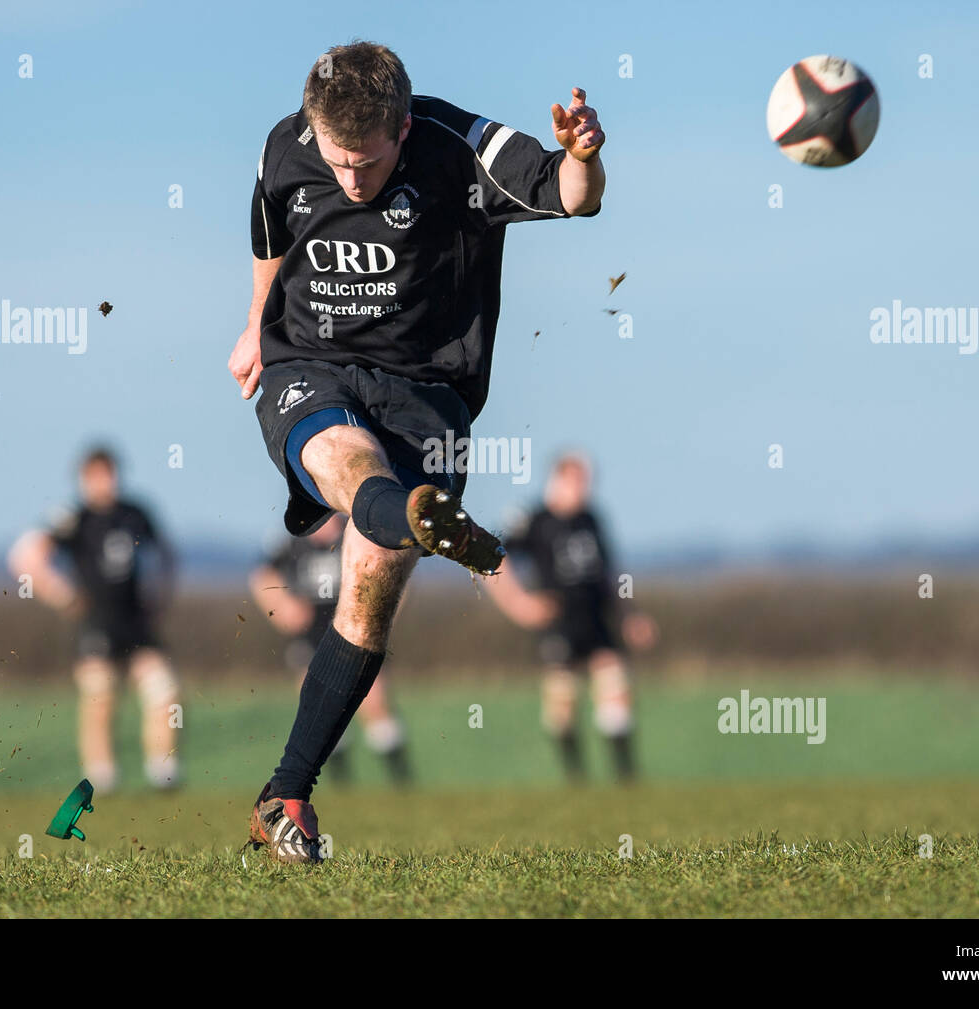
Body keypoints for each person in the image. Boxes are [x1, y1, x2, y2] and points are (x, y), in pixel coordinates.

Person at [228, 41, 606, 862]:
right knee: (346, 460)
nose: (351, 180)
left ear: (403, 126)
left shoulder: (463, 147)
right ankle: (406, 511)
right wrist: (256, 324)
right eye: (337, 161)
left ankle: (284, 791)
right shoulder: (282, 147)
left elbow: (574, 198)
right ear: (312, 130)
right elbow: (269, 229)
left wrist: (583, 154)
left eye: (367, 163)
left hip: (428, 394)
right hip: (309, 365)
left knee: (366, 594)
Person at [7, 446, 179, 791]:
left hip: (136, 622)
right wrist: (59, 593)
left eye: (111, 474)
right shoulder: (73, 517)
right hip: (96, 623)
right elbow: (25, 555)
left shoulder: (136, 513)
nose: (107, 482)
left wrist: (160, 596)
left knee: (165, 690)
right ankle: (101, 778)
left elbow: (166, 555)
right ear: (84, 479)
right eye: (99, 476)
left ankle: (165, 772)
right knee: (100, 696)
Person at [486, 452, 657, 782]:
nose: (585, 488)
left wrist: (631, 615)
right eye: (579, 480)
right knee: (562, 704)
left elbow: (610, 574)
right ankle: (576, 779)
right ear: (558, 479)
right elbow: (493, 557)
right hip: (557, 620)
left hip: (596, 615)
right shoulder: (534, 520)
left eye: (588, 481)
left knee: (615, 684)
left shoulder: (592, 519)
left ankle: (626, 777)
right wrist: (519, 603)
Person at [249, 514, 412, 785]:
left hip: (357, 629)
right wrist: (282, 608)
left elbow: (396, 570)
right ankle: (342, 785)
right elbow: (261, 577)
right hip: (310, 634)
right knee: (318, 704)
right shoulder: (290, 542)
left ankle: (401, 782)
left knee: (375, 699)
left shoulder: (358, 533)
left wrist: (383, 614)